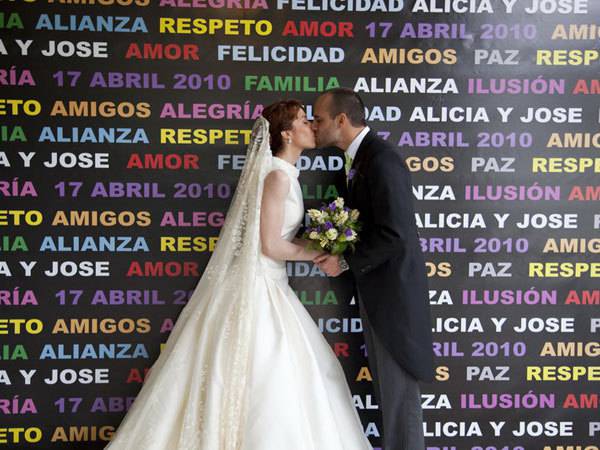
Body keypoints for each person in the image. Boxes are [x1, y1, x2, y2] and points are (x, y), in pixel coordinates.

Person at [103, 99, 373, 450]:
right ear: (287, 134)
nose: (312, 125)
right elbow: (270, 246)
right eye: (303, 120)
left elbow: (276, 238)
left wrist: (324, 242)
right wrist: (319, 253)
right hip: (260, 286)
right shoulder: (277, 177)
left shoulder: (284, 174)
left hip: (271, 284)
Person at [311, 88, 435, 450]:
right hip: (380, 295)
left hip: (393, 299)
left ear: (341, 120)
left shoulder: (381, 159)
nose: (314, 126)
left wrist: (344, 260)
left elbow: (395, 234)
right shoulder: (359, 158)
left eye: (319, 119)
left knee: (399, 401)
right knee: (390, 398)